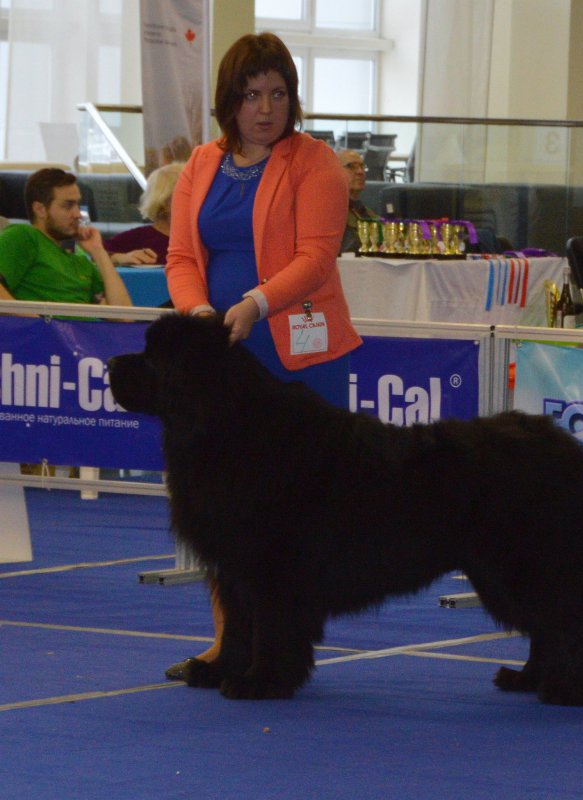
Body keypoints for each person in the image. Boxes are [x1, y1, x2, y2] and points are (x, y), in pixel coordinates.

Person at [164, 32, 361, 682]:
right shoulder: (201, 164)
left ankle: (280, 646)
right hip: (220, 364)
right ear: (230, 100)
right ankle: (229, 642)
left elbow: (316, 256)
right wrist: (199, 314)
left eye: (278, 94)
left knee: (292, 516)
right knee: (221, 510)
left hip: (296, 359)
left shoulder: (316, 162)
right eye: (252, 96)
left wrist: (253, 304)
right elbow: (181, 257)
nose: (266, 109)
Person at [0, 168, 132, 308]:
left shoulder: (80, 261)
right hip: (45, 322)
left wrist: (99, 251)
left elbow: (122, 314)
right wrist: (32, 317)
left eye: (78, 205)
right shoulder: (23, 236)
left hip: (83, 322)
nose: (78, 214)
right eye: (68, 206)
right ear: (40, 209)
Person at [104, 162, 183, 266]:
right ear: (164, 202)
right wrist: (118, 258)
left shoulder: (199, 237)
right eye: (187, 195)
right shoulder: (138, 238)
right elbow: (96, 256)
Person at [335, 148, 379, 252]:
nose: (360, 172)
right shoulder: (327, 212)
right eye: (351, 166)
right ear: (333, 172)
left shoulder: (366, 212)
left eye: (362, 167)